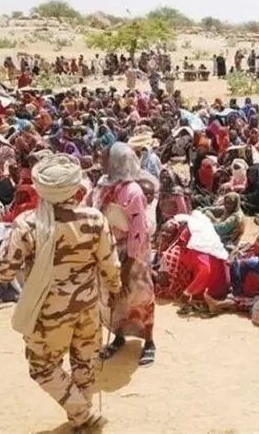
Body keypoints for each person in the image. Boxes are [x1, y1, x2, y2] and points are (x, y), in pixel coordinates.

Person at [0, 153, 121, 433]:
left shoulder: (28, 224)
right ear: (75, 188)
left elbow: (1, 271)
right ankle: (83, 418)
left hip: (48, 312)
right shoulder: (94, 218)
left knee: (41, 366)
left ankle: (82, 415)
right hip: (87, 307)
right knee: (84, 362)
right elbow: (111, 265)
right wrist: (114, 289)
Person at [92, 143, 157, 367]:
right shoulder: (102, 185)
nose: (100, 161)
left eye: (104, 157)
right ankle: (118, 336)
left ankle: (148, 341)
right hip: (107, 249)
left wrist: (127, 264)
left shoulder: (133, 191)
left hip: (132, 253)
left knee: (138, 295)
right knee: (112, 294)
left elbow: (138, 232)